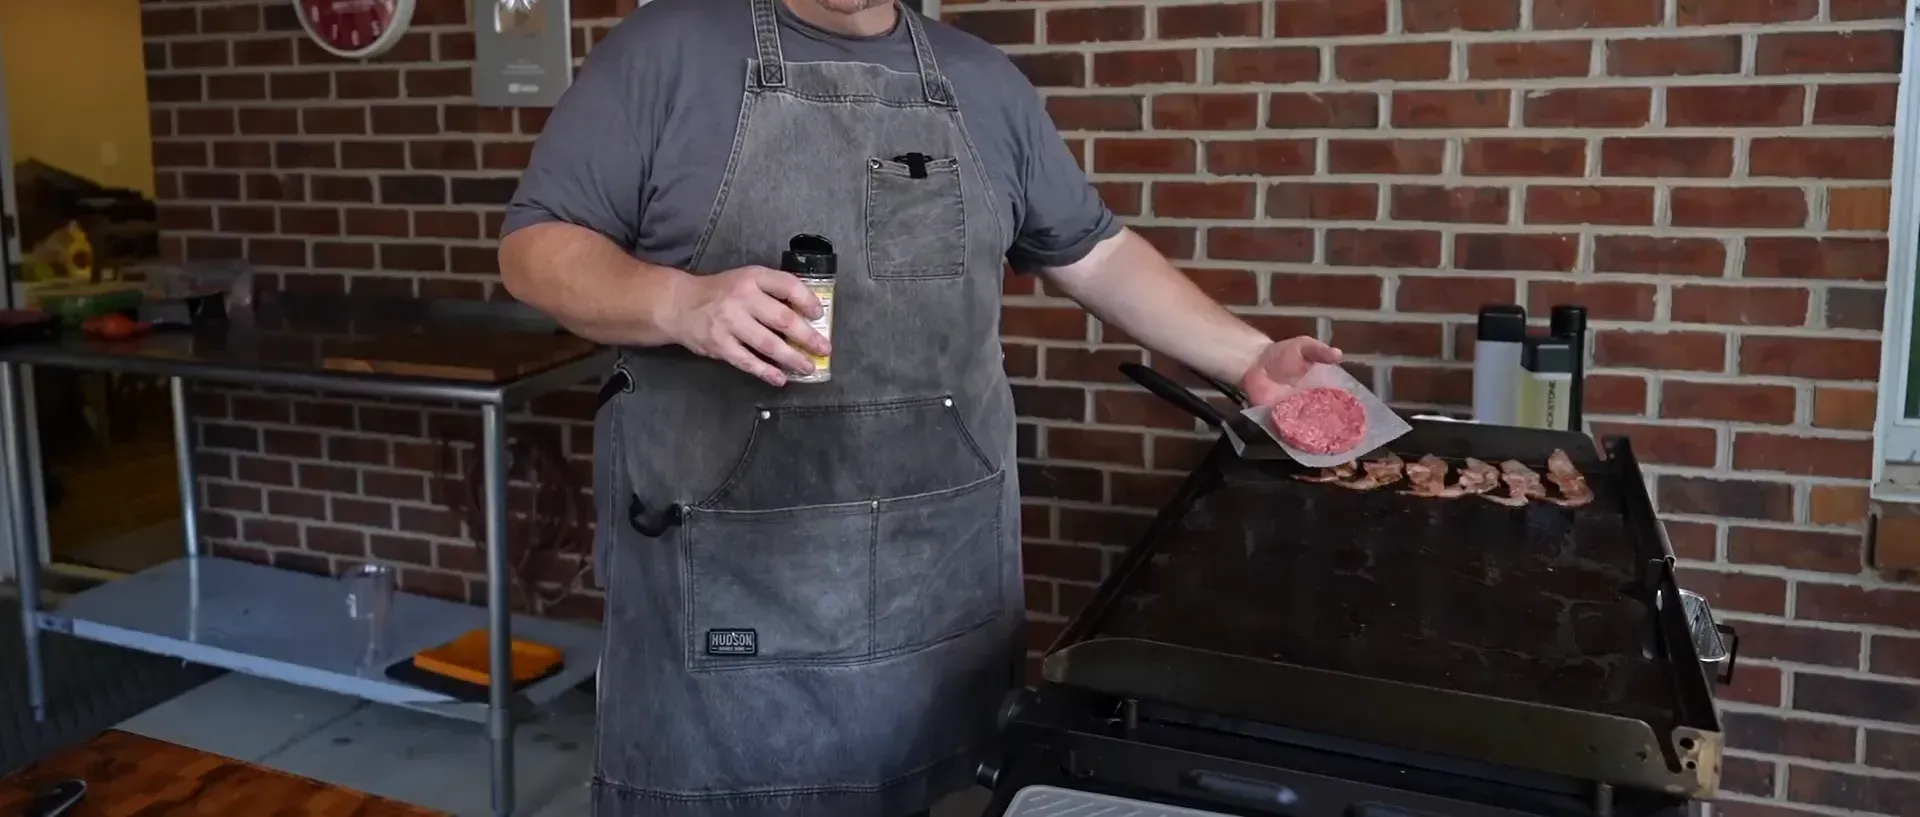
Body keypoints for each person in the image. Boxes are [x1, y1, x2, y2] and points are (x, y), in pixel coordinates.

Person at [497, 0, 1343, 815]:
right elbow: (537, 248)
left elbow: (1097, 255)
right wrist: (677, 302)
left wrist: (1250, 359)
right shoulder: (665, 50)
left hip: (929, 570)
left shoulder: (982, 82)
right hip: (731, 572)